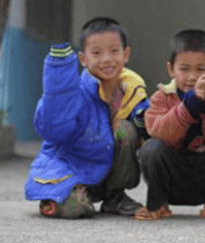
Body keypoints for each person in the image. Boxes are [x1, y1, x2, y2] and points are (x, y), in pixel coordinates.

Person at [25, 17, 149, 218]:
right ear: (83, 59)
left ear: (126, 54)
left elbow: (146, 125)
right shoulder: (74, 91)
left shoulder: (132, 89)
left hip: (104, 173)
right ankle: (57, 198)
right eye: (97, 53)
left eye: (114, 51)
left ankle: (115, 197)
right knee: (76, 209)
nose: (107, 59)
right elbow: (52, 128)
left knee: (125, 129)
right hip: (70, 173)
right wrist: (59, 76)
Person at [134, 29, 205, 221]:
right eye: (184, 68)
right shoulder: (162, 97)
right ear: (171, 69)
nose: (192, 77)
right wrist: (187, 109)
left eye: (201, 69)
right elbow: (161, 134)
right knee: (151, 148)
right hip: (173, 177)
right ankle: (157, 204)